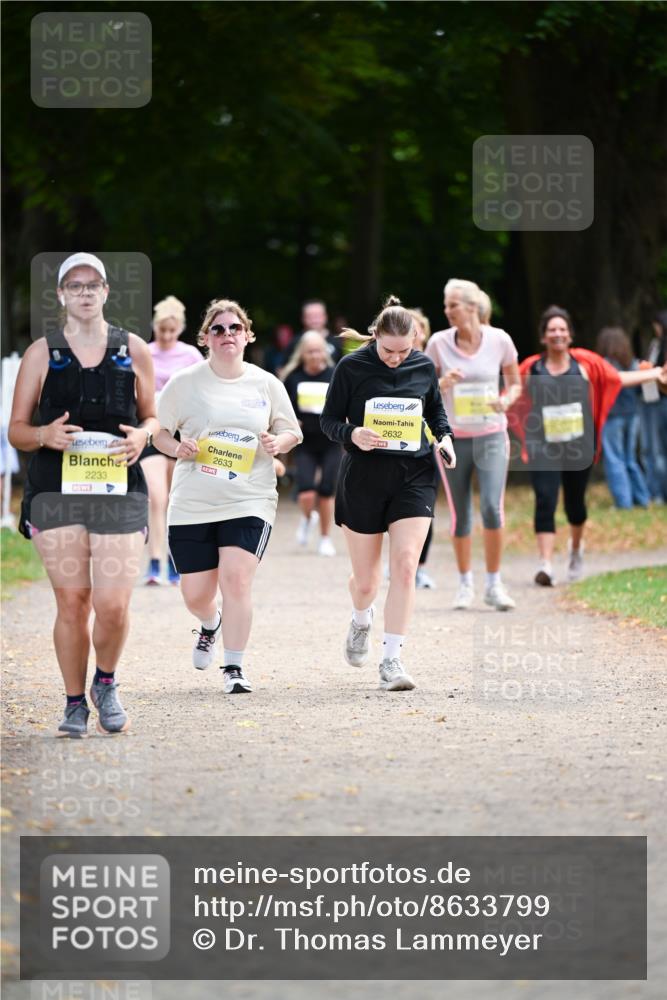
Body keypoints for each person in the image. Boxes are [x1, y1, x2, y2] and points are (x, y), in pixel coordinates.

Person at [8, 252, 158, 738]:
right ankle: (74, 703)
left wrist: (142, 436)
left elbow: (152, 417)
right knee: (73, 603)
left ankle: (106, 683)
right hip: (57, 491)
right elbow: (16, 430)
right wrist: (42, 436)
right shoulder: (40, 352)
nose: (85, 292)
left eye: (93, 284)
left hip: (118, 490)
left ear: (108, 292)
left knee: (113, 604)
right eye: (75, 285)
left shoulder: (133, 348)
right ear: (61, 295)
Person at [154, 298, 302, 694]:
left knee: (236, 580)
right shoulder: (184, 383)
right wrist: (176, 448)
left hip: (249, 498)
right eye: (218, 329)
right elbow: (159, 431)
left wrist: (277, 442)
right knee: (196, 594)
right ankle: (209, 623)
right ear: (205, 338)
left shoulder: (265, 383)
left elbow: (293, 429)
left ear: (248, 334)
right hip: (193, 502)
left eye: (234, 328)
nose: (227, 335)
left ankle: (233, 667)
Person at [320, 295, 455, 692]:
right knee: (366, 582)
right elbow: (328, 421)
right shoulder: (352, 366)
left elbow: (434, 411)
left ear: (416, 338)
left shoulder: (423, 364)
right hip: (363, 476)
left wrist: (444, 439)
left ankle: (392, 660)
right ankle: (361, 619)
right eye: (387, 350)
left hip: (414, 474)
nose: (395, 359)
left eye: (403, 350)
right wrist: (353, 434)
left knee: (406, 564)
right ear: (375, 337)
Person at [509, 305, 667, 586]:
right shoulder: (531, 367)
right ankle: (545, 564)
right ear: (544, 337)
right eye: (551, 330)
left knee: (575, 505)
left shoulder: (585, 363)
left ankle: (575, 550)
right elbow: (512, 393)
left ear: (569, 335)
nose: (557, 334)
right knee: (545, 500)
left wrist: (654, 373)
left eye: (562, 329)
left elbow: (617, 379)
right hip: (542, 445)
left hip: (577, 445)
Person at [425, 279, 521, 611]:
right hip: (452, 440)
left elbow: (515, 384)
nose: (447, 311)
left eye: (452, 304)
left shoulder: (500, 340)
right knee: (460, 514)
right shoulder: (437, 343)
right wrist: (442, 383)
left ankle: (494, 584)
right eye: (446, 305)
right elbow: (421, 390)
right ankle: (465, 583)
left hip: (492, 433)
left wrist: (506, 400)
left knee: (492, 507)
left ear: (472, 307)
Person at [141, 296, 202, 585]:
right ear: (154, 328)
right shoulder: (144, 353)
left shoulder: (190, 356)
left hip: (181, 433)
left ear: (179, 329)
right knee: (156, 496)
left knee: (176, 500)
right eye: (161, 330)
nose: (166, 336)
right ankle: (154, 562)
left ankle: (175, 560)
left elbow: (202, 391)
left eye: (171, 331)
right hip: (152, 430)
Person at [282, 331, 341, 555]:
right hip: (305, 441)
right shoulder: (293, 377)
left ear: (324, 352)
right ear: (303, 354)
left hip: (331, 441)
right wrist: (291, 420)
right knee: (306, 491)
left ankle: (325, 538)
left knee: (326, 490)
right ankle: (308, 517)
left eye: (318, 350)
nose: (315, 355)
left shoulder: (335, 374)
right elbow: (283, 407)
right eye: (310, 351)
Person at [595, 326, 650, 508]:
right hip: (633, 417)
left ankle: (623, 503)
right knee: (630, 459)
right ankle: (642, 499)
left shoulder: (604, 365)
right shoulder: (634, 363)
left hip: (612, 418)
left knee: (614, 459)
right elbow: (644, 391)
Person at [410, 308, 436, 589]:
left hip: (431, 446)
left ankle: (420, 567)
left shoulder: (432, 363)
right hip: (397, 447)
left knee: (425, 511)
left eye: (417, 329)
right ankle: (402, 562)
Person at [639, 309, 667, 502]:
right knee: (652, 449)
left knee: (658, 449)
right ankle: (656, 491)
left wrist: (654, 370)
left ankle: (660, 492)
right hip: (651, 398)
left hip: (662, 400)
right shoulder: (655, 344)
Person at [300, 299, 342, 363]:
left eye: (317, 316)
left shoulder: (337, 342)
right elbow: (283, 369)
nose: (314, 320)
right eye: (310, 316)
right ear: (303, 318)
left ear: (325, 317)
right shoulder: (296, 342)